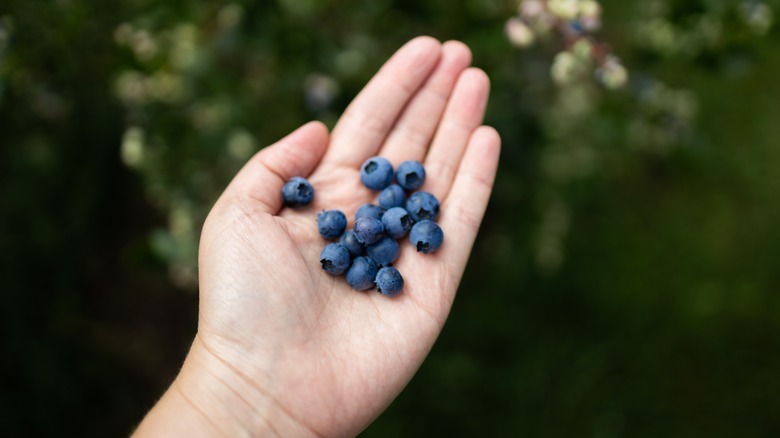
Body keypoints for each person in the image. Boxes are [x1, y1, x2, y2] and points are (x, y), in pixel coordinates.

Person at [133, 36, 500, 437]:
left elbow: (385, 237)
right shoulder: (363, 239)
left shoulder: (389, 225)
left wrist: (234, 393)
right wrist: (236, 385)